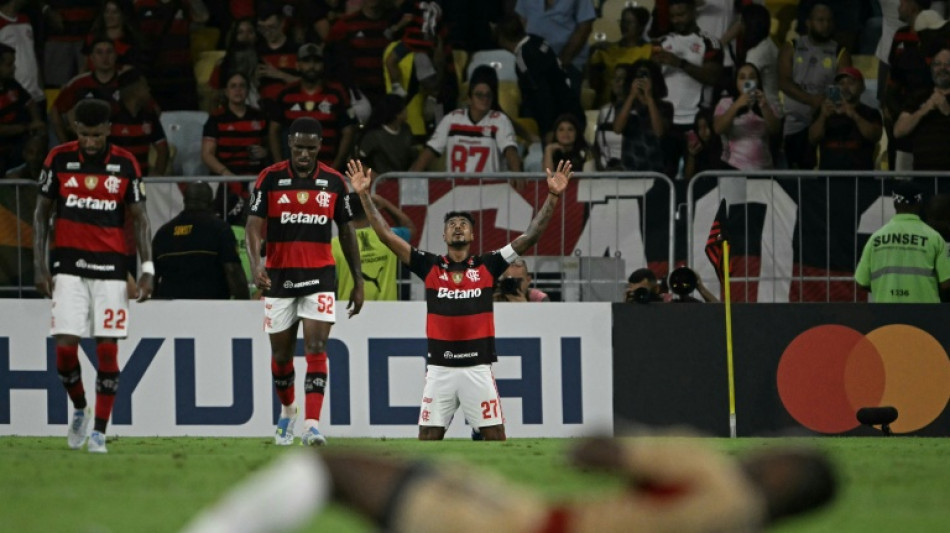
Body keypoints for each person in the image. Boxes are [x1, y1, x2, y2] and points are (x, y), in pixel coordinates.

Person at [345, 157, 571, 441]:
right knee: (427, 437)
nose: (458, 227)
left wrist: (552, 196)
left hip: (477, 368)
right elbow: (386, 235)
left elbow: (531, 234)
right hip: (440, 370)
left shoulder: (488, 265)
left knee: (495, 437)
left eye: (464, 223)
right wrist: (364, 195)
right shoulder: (429, 265)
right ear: (443, 234)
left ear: (473, 234)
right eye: (452, 223)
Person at [182, 436, 838, 533]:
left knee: (330, 465)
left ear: (785, 474)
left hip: (525, 525)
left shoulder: (715, 473)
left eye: (782, 452)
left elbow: (596, 450)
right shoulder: (737, 521)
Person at [32, 98, 153, 454]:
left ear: (108, 131)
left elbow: (142, 219)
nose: (89, 142)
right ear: (75, 130)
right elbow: (41, 214)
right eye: (84, 135)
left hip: (111, 271)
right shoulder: (58, 159)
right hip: (68, 268)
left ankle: (99, 431)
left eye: (96, 135)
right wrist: (40, 266)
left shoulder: (125, 164)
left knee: (107, 350)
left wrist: (147, 269)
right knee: (65, 350)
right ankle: (81, 408)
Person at [246, 117, 364, 446]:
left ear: (319, 148)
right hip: (279, 279)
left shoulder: (335, 181)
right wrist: (257, 265)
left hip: (320, 277)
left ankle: (312, 424)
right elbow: (253, 226)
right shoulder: (269, 178)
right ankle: (288, 411)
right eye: (298, 148)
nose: (304, 154)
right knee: (281, 357)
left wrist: (358, 280)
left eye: (310, 149)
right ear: (290, 145)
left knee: (316, 348)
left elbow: (347, 230)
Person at [651, 0, 724, 177]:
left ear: (693, 12)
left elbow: (713, 77)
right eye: (673, 16)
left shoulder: (710, 42)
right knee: (665, 178)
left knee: (696, 179)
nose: (676, 20)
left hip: (696, 122)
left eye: (681, 15)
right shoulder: (662, 42)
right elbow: (651, 81)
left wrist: (680, 63)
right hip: (667, 123)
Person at [778, 1, 851, 170]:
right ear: (808, 22)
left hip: (826, 124)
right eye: (820, 20)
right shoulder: (792, 47)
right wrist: (811, 100)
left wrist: (824, 104)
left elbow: (845, 86)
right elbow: (783, 82)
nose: (825, 25)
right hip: (794, 124)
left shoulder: (840, 52)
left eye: (829, 21)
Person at [409, 66, 521, 173]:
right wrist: (411, 178)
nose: (484, 99)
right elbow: (430, 151)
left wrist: (517, 173)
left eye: (488, 95)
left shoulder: (500, 120)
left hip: (489, 189)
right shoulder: (452, 119)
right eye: (479, 95)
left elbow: (510, 151)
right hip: (456, 188)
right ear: (469, 98)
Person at [495, 15, 586, 142]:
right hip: (573, 111)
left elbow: (542, 94)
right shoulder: (537, 40)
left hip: (559, 124)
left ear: (502, 38)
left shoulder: (523, 59)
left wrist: (549, 130)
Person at [855, 181, 950, 303]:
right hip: (926, 314)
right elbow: (946, 283)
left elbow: (861, 282)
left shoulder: (876, 238)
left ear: (894, 203)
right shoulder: (934, 238)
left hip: (886, 311)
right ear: (919, 203)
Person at [152, 182, 249, 300]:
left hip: (171, 309)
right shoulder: (220, 229)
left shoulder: (163, 233)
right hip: (211, 307)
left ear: (185, 200)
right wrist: (244, 304)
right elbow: (232, 270)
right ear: (210, 202)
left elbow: (152, 277)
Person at [268, 43, 356, 170]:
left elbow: (348, 131)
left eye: (316, 62)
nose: (312, 66)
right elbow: (273, 130)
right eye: (306, 61)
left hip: (328, 167)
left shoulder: (337, 93)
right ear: (298, 65)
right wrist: (279, 165)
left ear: (323, 65)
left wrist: (335, 167)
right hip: (293, 169)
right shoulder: (285, 94)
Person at [331, 192, 415, 301]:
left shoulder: (334, 245)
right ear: (368, 211)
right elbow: (409, 227)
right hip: (387, 311)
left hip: (350, 309)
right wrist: (385, 204)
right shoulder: (388, 236)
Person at [202, 71, 270, 198]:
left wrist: (265, 152)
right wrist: (227, 174)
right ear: (226, 92)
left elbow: (268, 147)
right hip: (225, 179)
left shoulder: (260, 116)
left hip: (255, 178)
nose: (238, 90)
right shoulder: (216, 118)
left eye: (242, 86)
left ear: (247, 90)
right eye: (233, 86)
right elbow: (207, 155)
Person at [808, 67, 883, 171]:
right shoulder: (825, 111)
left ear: (862, 87)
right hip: (829, 179)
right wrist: (823, 116)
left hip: (860, 179)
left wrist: (853, 114)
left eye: (851, 83)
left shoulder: (870, 113)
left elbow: (875, 136)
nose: (845, 87)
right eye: (841, 83)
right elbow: (813, 138)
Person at [51, 36, 122, 144]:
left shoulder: (127, 82)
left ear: (116, 55)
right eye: (99, 53)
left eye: (109, 52)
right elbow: (55, 110)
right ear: (92, 58)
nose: (105, 57)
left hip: (120, 143)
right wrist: (64, 142)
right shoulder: (78, 83)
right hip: (87, 145)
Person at [713, 62, 781, 170]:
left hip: (763, 168)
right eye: (742, 78)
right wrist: (736, 105)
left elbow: (775, 130)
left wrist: (764, 107)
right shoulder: (726, 103)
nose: (747, 81)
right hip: (734, 167)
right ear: (736, 82)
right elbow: (718, 128)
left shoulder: (767, 103)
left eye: (752, 77)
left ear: (758, 81)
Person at [612, 59, 673, 174]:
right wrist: (631, 96)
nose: (641, 79)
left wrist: (649, 98)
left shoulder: (665, 107)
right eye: (637, 76)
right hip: (629, 169)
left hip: (656, 169)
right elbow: (617, 129)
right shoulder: (623, 105)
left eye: (645, 75)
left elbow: (659, 132)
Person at [893, 47, 950, 171]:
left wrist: (947, 111)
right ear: (931, 69)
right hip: (923, 174)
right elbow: (898, 131)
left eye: (948, 64)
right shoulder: (919, 96)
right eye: (938, 64)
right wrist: (924, 110)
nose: (942, 68)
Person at [588, 5, 652, 107]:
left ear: (640, 27)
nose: (624, 26)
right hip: (609, 104)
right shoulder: (606, 50)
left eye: (630, 22)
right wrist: (592, 52)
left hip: (638, 104)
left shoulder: (649, 50)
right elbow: (594, 83)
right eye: (623, 22)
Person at [108, 68, 168, 177]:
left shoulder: (149, 115)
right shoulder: (112, 115)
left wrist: (157, 174)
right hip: (114, 180)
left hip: (142, 178)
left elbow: (163, 149)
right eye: (145, 86)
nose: (149, 89)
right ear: (135, 91)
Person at [0, 42, 44, 174]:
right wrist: (26, 127)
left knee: (38, 143)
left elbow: (30, 103)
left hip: (21, 138)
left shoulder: (11, 83)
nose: (13, 68)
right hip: (5, 142)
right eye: (9, 65)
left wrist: (36, 121)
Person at [357, 93, 415, 174]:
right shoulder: (374, 135)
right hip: (382, 181)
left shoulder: (406, 129)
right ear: (396, 114)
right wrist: (374, 176)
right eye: (404, 108)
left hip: (404, 179)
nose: (406, 110)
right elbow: (356, 162)